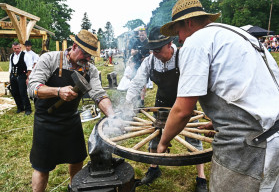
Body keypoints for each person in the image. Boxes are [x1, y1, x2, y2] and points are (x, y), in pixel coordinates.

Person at [157, 0, 279, 192]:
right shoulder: (237, 34)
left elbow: (183, 109)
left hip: (252, 143)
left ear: (189, 22)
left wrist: (163, 142)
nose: (179, 39)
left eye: (178, 32)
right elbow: (250, 86)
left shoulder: (196, 42)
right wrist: (221, 120)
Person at [27, 29, 115, 192]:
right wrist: (58, 91)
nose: (88, 59)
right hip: (46, 120)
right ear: (74, 46)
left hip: (71, 120)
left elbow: (99, 94)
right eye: (85, 54)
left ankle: (74, 188)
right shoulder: (50, 59)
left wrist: (113, 116)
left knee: (76, 159)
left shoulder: (91, 70)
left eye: (90, 55)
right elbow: (33, 88)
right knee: (42, 166)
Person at [126, 26, 208, 192]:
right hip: (161, 102)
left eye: (158, 50)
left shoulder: (183, 57)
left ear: (170, 44)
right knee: (155, 136)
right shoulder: (149, 61)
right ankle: (154, 168)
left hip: (184, 102)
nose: (155, 53)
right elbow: (136, 83)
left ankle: (201, 177)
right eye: (152, 50)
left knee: (194, 139)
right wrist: (128, 104)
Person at [9, 41, 33, 115]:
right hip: (13, 76)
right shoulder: (11, 56)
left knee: (23, 93)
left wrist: (28, 78)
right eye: (15, 48)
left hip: (22, 76)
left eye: (18, 48)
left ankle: (28, 109)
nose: (16, 50)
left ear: (20, 47)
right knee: (15, 93)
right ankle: (20, 107)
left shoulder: (25, 55)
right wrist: (10, 78)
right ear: (13, 48)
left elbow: (29, 68)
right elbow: (10, 67)